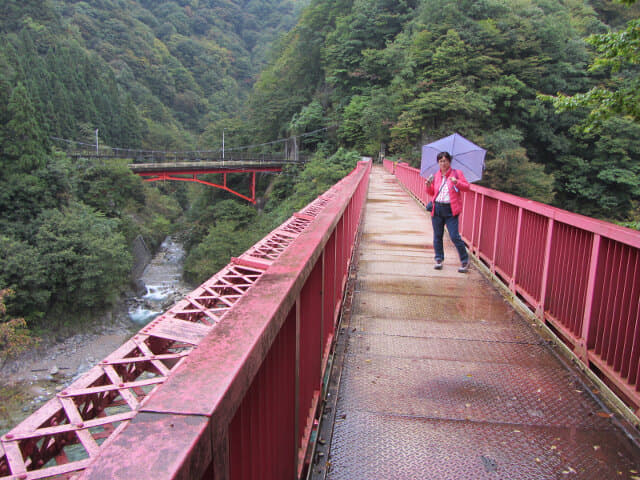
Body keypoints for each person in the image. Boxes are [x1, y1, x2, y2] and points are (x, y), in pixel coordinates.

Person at [425, 151, 470, 273]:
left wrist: (457, 182)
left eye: (445, 161)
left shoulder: (457, 173)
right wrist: (428, 185)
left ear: (449, 161)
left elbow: (467, 187)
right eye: (440, 161)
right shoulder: (436, 175)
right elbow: (432, 193)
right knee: (437, 236)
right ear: (438, 163)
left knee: (454, 236)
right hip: (438, 208)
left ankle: (465, 260)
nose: (443, 163)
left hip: (451, 209)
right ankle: (439, 259)